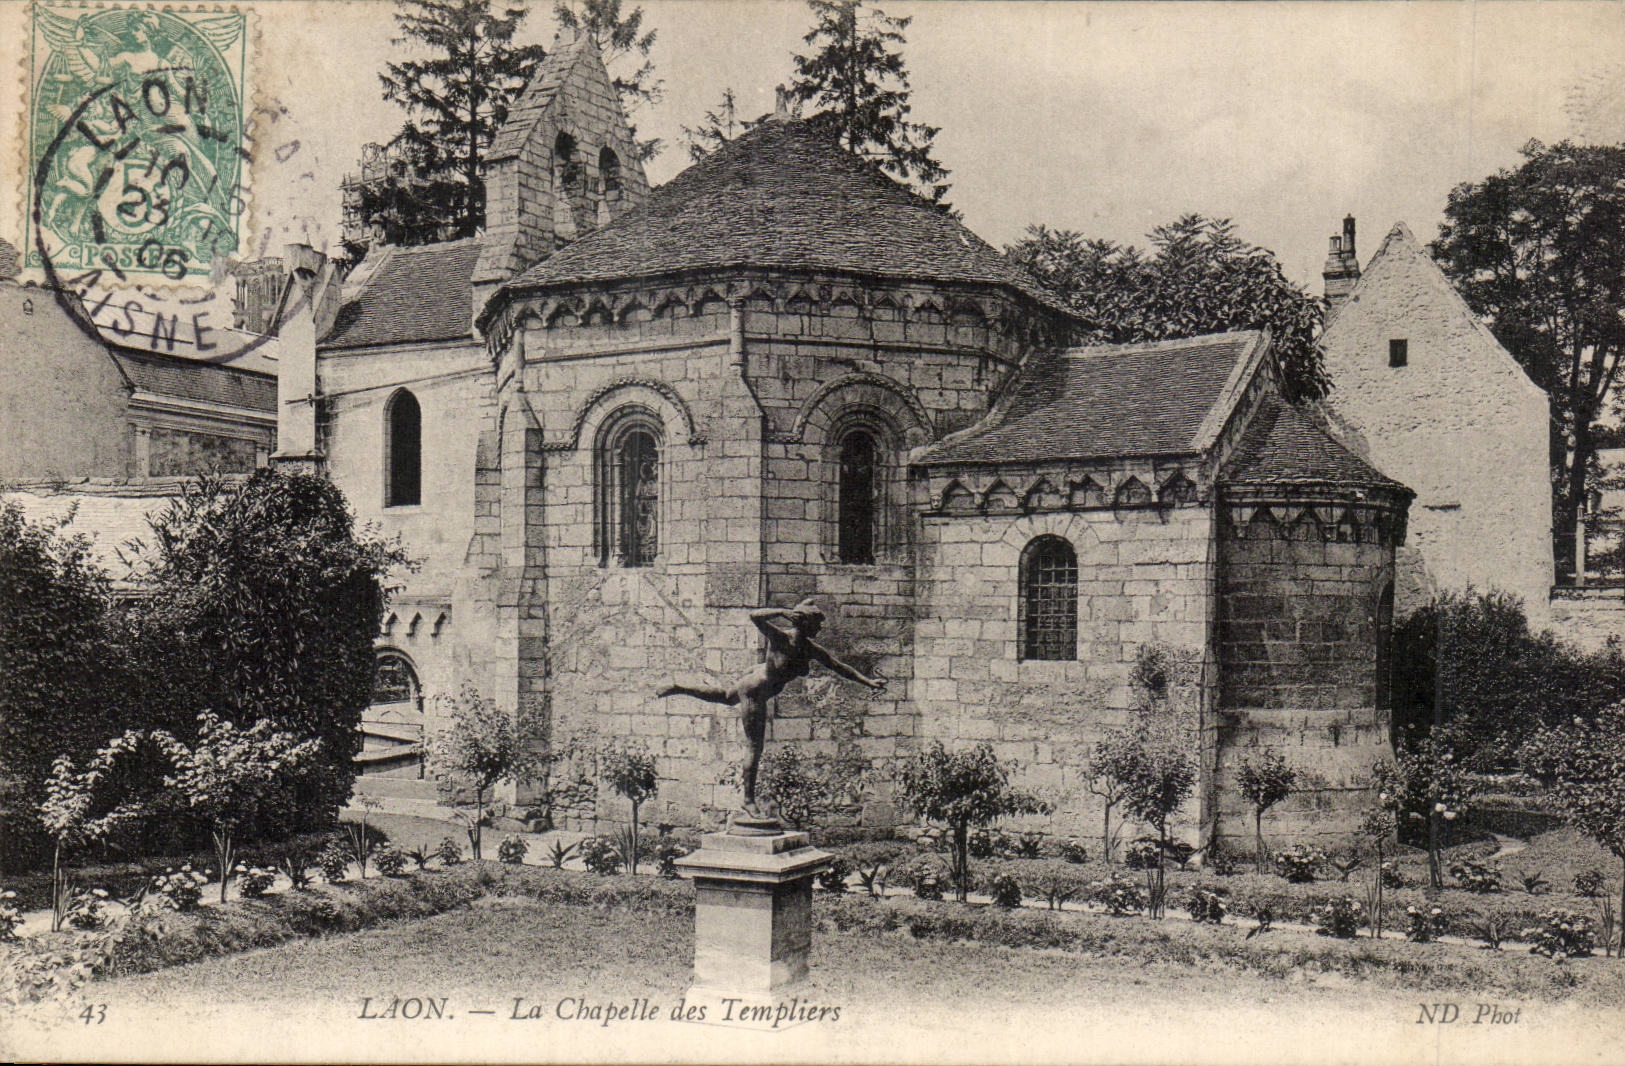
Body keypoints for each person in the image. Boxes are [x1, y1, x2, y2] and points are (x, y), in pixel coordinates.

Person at [657, 599, 885, 816]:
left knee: (726, 696)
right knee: (754, 747)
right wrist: (781, 612)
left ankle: (679, 687)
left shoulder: (810, 648)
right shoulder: (781, 638)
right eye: (817, 623)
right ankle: (748, 802)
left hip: (756, 678)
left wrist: (869, 682)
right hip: (756, 690)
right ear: (804, 621)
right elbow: (754, 617)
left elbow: (839, 667)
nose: (820, 628)